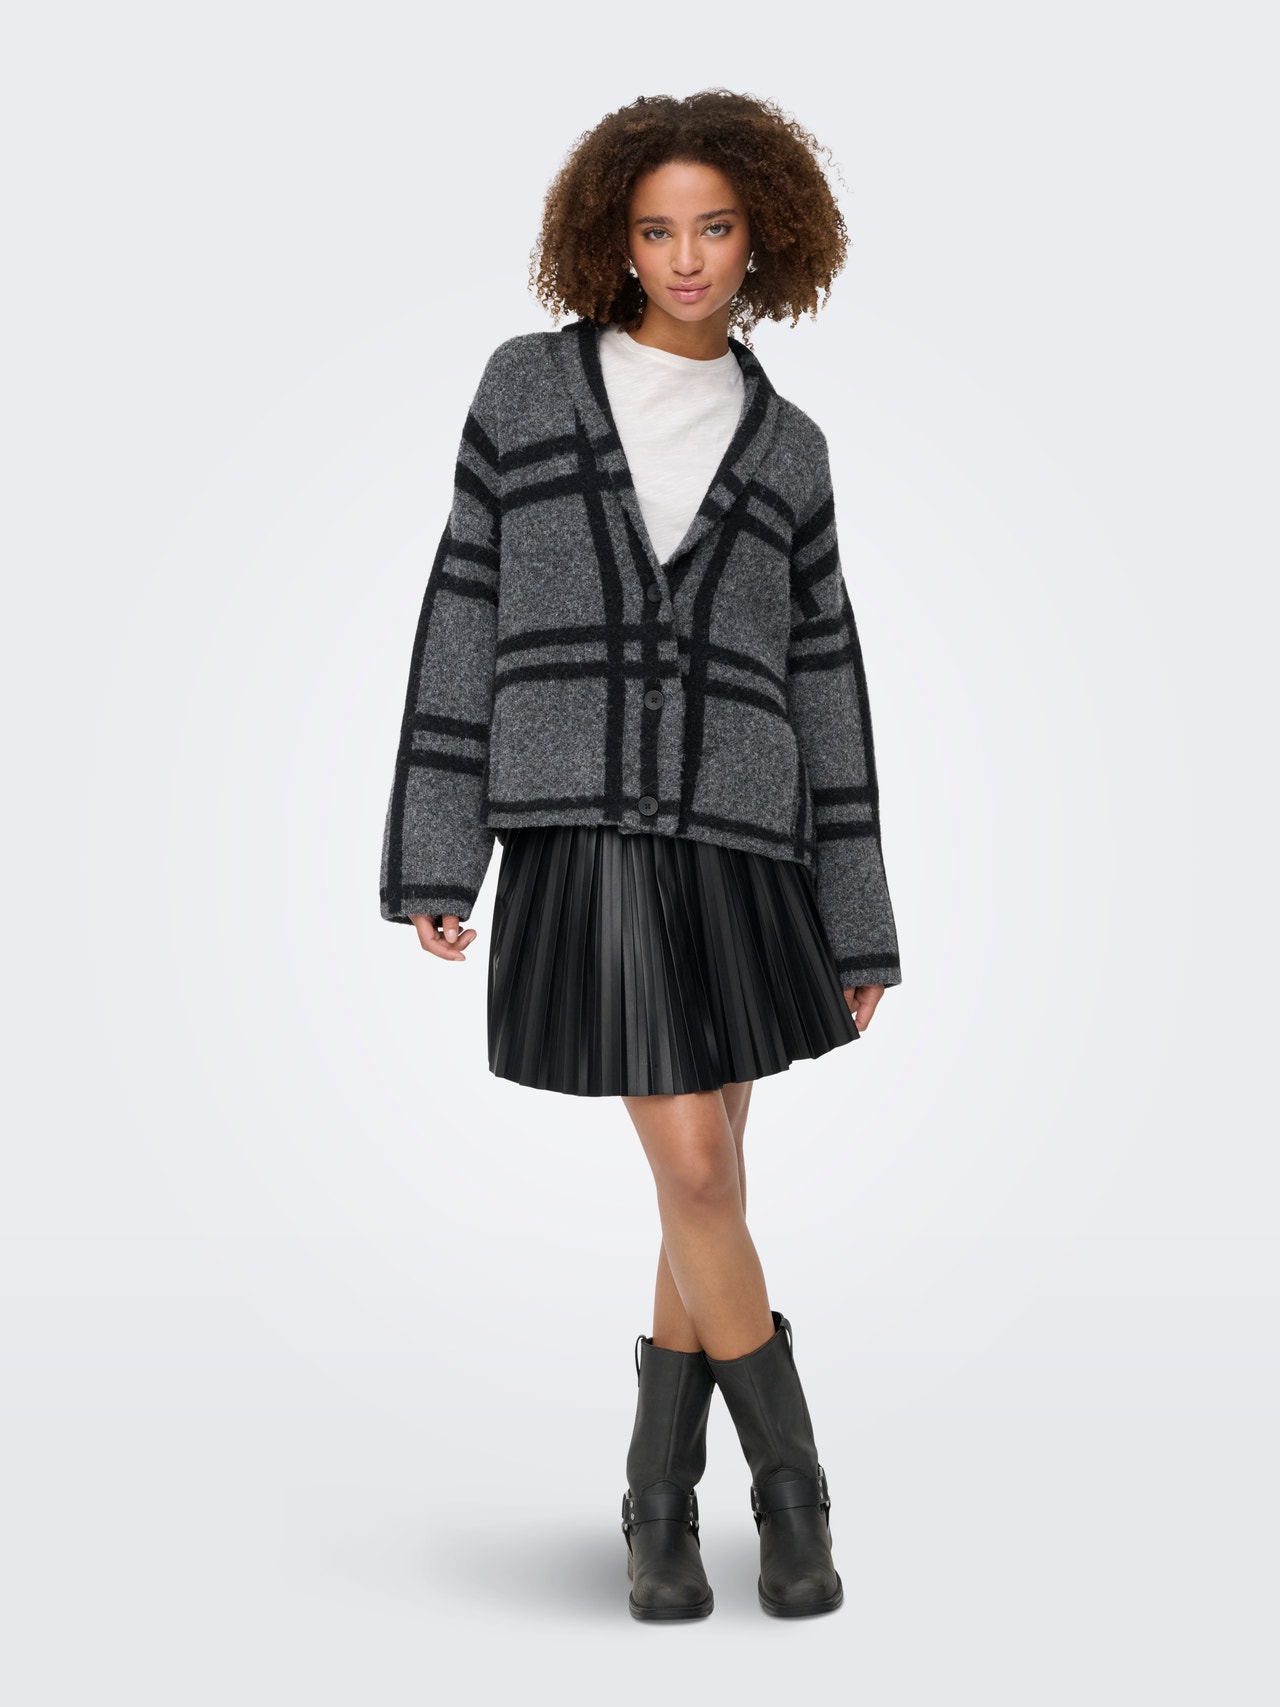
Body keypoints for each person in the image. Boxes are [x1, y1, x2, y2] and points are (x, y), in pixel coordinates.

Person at [378, 89, 903, 1620]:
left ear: (763, 240)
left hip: (748, 839)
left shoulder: (790, 448)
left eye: (715, 228)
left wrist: (858, 918)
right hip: (586, 820)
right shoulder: (528, 388)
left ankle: (656, 1503)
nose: (686, 258)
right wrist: (439, 846)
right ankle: (794, 1494)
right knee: (696, 1164)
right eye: (658, 229)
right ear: (612, 238)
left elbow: (825, 685)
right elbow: (464, 605)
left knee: (707, 1181)